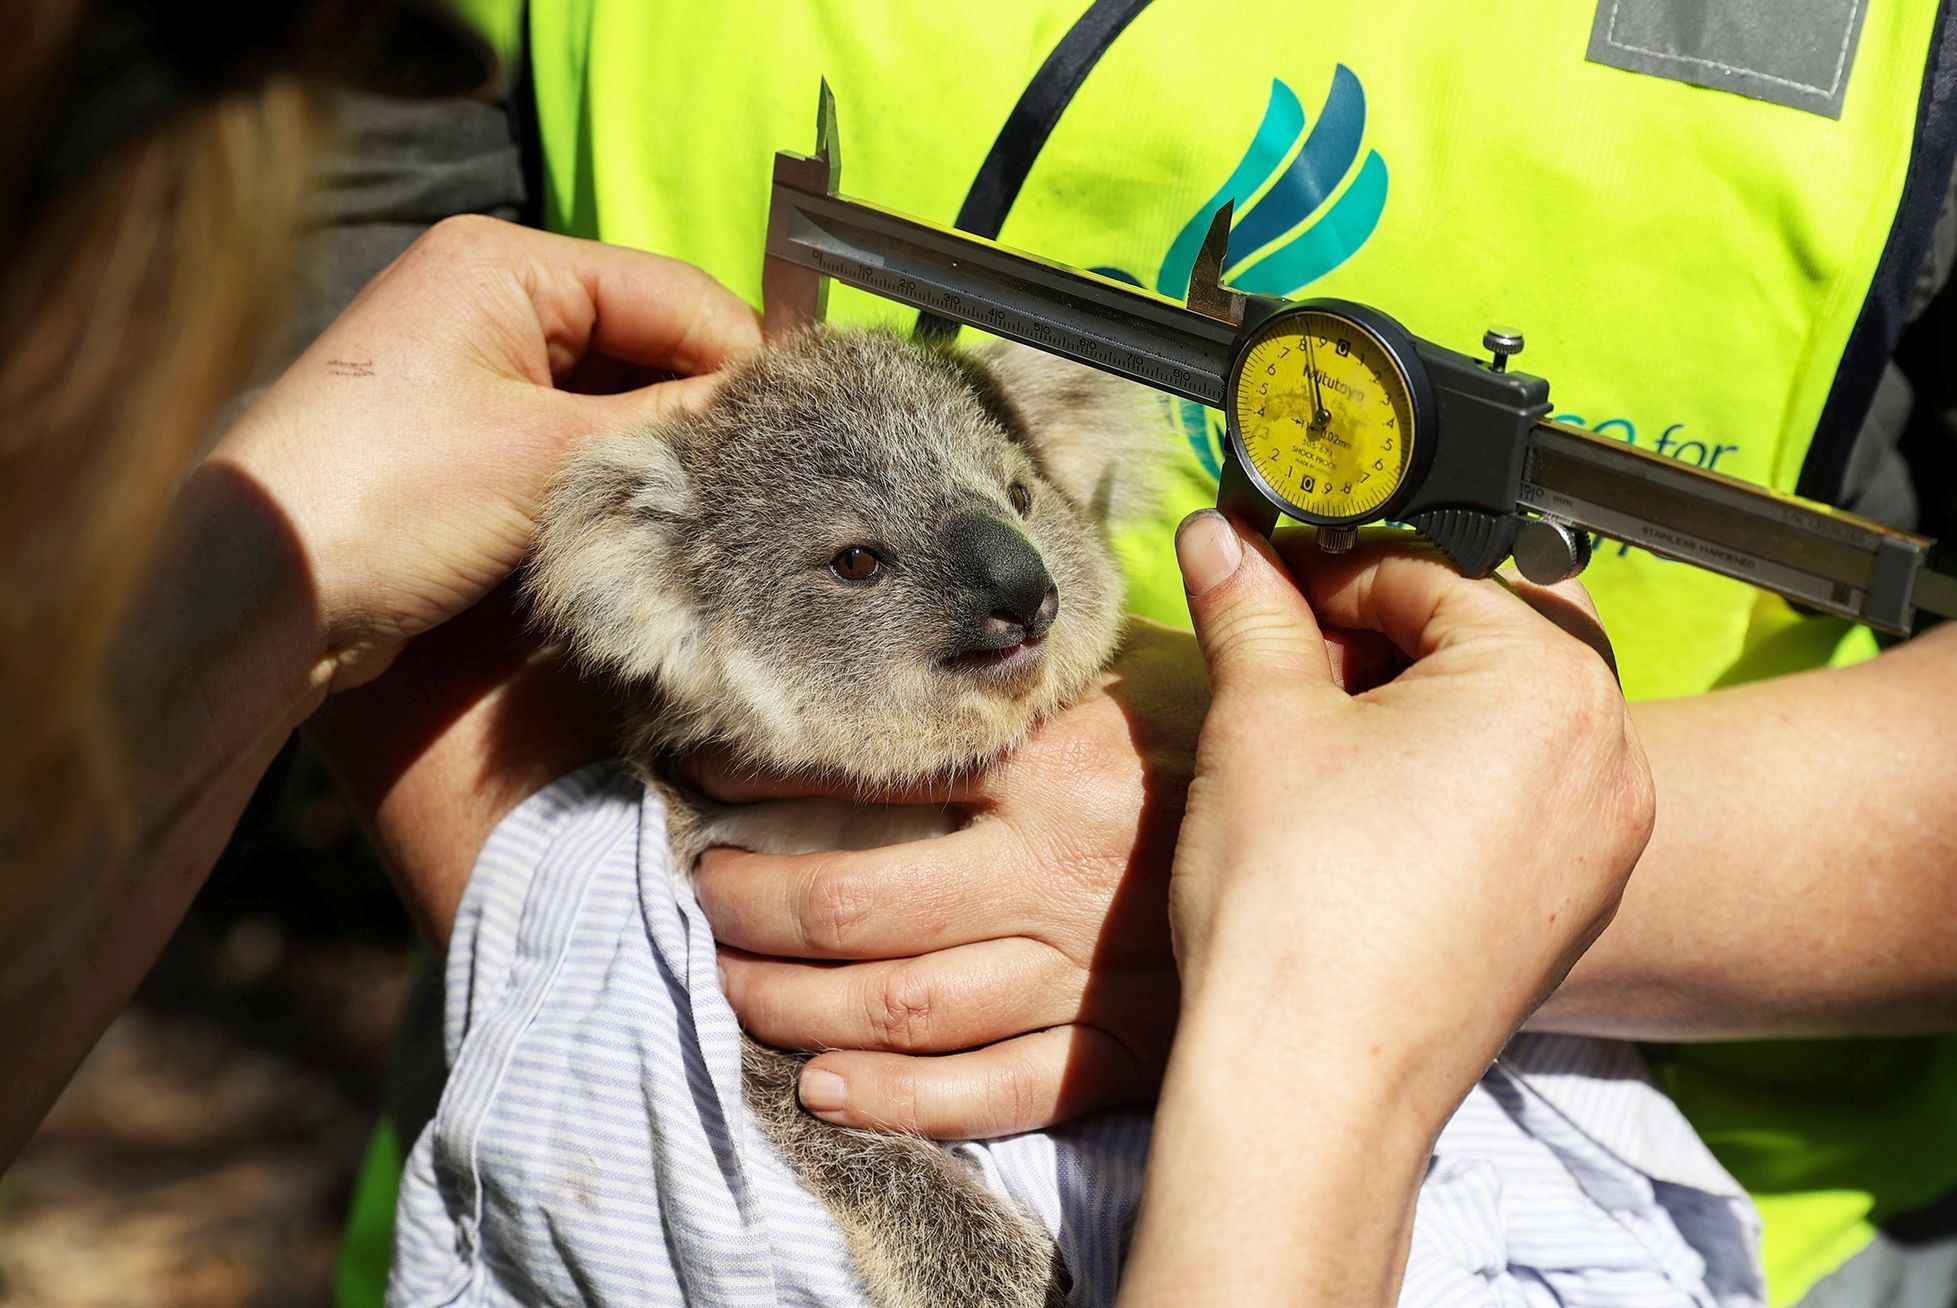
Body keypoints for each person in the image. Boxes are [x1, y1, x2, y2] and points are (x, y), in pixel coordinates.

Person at [0, 3, 1659, 1304]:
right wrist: (1321, 1063)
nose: (1006, 578)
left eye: (1014, 499)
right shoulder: (619, 862)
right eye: (860, 560)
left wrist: (244, 600)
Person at [309, 7, 1957, 1305]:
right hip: (595, 1170)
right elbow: (335, 367)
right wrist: (585, 944)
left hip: (1741, 1181)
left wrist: (1391, 910)